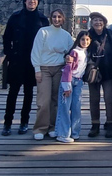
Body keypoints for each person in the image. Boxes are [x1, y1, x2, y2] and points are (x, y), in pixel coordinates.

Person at [1, 0, 49, 136]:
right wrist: (10, 55)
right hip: (17, 60)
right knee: (13, 93)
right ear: (24, 1)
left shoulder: (42, 20)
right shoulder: (15, 17)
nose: (32, 1)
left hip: (33, 62)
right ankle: (7, 123)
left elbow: (46, 41)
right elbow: (6, 38)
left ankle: (24, 122)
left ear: (38, 2)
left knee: (29, 93)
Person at [31, 9, 73, 140]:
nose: (56, 19)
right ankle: (40, 128)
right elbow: (36, 51)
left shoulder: (66, 35)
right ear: (51, 18)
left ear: (63, 19)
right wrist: (37, 69)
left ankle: (53, 126)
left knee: (56, 100)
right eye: (54, 17)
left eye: (59, 17)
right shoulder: (43, 32)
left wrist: (68, 58)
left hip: (59, 69)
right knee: (44, 100)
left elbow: (70, 52)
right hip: (44, 69)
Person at [86, 12, 112, 138]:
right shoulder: (88, 34)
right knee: (94, 99)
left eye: (100, 20)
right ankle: (95, 125)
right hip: (93, 72)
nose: (97, 22)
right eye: (95, 20)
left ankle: (110, 124)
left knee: (109, 99)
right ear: (92, 22)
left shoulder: (110, 34)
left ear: (104, 22)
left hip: (108, 71)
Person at [55, 31, 91, 143]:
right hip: (69, 80)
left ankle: (75, 132)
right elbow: (67, 69)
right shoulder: (75, 52)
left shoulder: (87, 52)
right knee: (65, 107)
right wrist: (66, 86)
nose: (85, 42)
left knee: (76, 106)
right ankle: (62, 133)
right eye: (82, 39)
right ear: (78, 40)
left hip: (79, 82)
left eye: (87, 40)